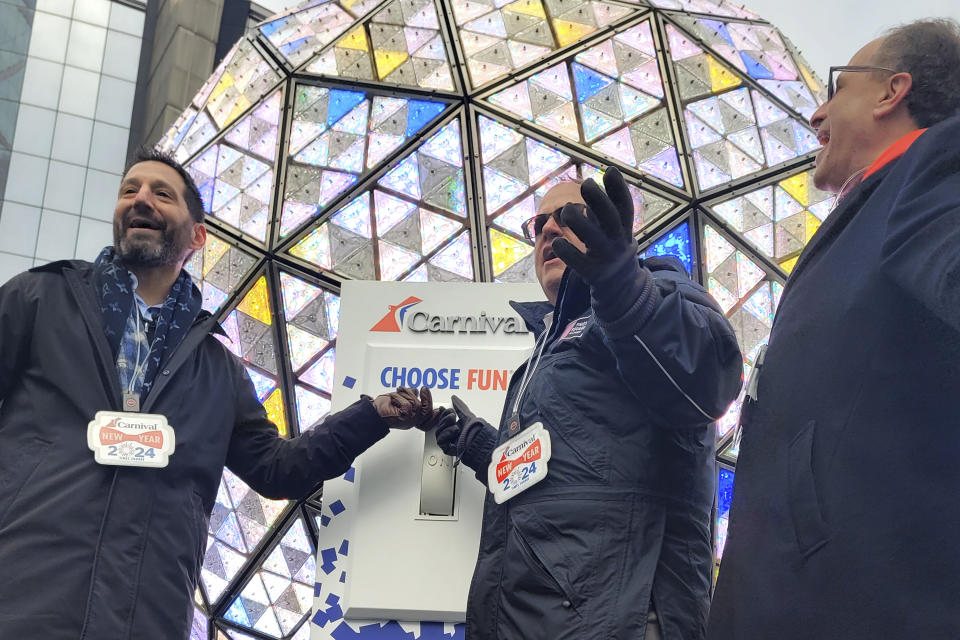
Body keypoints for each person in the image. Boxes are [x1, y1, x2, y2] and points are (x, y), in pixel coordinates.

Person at [0, 148, 438, 639]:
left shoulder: (217, 369)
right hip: (23, 602)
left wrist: (373, 414)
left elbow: (278, 468)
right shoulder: (38, 299)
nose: (141, 198)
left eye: (161, 194)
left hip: (145, 619)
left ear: (197, 236)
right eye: (130, 190)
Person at [707, 19, 960, 640]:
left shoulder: (935, 169)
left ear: (889, 92)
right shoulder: (875, 204)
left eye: (836, 87)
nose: (817, 114)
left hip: (864, 596)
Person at [431, 167, 743, 639]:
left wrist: (624, 289)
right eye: (539, 225)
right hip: (533, 619)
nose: (550, 230)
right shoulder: (546, 348)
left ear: (607, 224)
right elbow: (564, 472)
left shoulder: (655, 289)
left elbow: (710, 381)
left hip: (622, 618)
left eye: (568, 216)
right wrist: (479, 447)